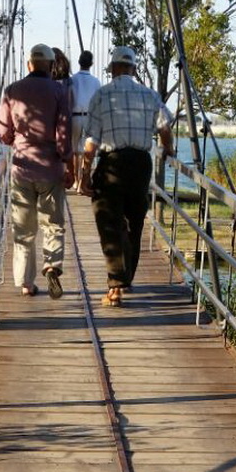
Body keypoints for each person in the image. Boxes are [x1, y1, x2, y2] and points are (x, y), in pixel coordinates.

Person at [80, 45, 174, 306]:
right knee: (134, 223)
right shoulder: (149, 95)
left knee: (109, 223)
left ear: (112, 69)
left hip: (113, 163)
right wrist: (169, 150)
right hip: (141, 164)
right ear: (133, 69)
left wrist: (84, 174)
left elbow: (91, 142)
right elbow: (164, 127)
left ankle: (117, 285)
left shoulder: (102, 95)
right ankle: (124, 279)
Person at [0, 42, 72, 298]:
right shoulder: (59, 91)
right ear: (50, 66)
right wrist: (68, 164)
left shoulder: (12, 90)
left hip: (22, 169)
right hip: (50, 169)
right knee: (53, 224)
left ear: (29, 64)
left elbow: (3, 130)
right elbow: (63, 135)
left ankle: (26, 284)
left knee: (23, 230)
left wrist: (13, 140)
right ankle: (52, 266)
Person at [69, 49, 101, 191]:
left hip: (74, 116)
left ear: (79, 62)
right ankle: (84, 180)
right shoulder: (96, 82)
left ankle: (76, 181)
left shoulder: (72, 79)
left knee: (75, 150)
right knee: (87, 150)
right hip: (89, 117)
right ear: (92, 63)